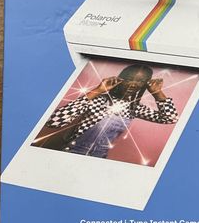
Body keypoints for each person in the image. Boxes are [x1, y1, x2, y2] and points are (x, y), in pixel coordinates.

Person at [40, 64, 178, 158]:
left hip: (99, 159)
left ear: (144, 85)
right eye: (129, 79)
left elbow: (170, 118)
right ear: (120, 79)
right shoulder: (99, 99)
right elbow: (53, 122)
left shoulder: (134, 108)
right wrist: (98, 90)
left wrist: (157, 93)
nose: (133, 84)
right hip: (73, 153)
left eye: (140, 81)